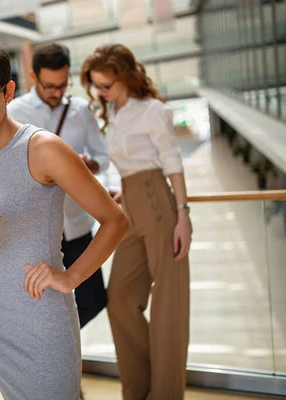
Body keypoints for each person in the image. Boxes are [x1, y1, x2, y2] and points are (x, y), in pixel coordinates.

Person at [0, 35, 128, 400]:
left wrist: (70, 277)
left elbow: (116, 220)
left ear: (8, 91)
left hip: (42, 315)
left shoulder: (44, 148)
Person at [81, 43, 192, 400]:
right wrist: (121, 196)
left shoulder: (153, 111)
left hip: (158, 203)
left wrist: (183, 215)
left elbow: (172, 163)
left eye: (106, 84)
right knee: (121, 302)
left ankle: (165, 394)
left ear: (126, 77)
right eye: (96, 85)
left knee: (167, 308)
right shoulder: (113, 111)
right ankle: (138, 389)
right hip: (130, 203)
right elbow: (125, 165)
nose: (101, 92)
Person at [0, 42, 110, 328]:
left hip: (76, 221)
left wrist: (87, 167)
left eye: (63, 85)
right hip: (35, 227)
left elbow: (103, 156)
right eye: (50, 85)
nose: (57, 92)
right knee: (37, 301)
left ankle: (63, 336)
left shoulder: (81, 110)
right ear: (34, 76)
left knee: (93, 299)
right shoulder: (14, 110)